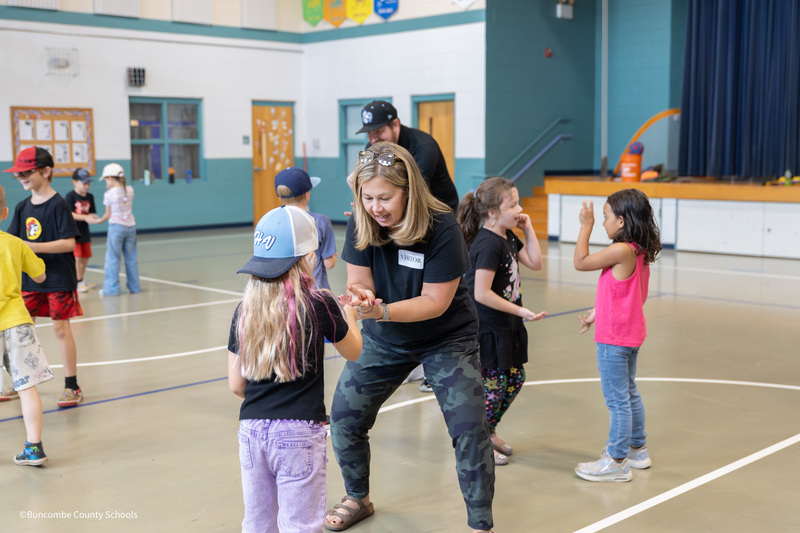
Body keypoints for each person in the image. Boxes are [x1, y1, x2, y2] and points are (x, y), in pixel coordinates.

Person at [325, 142, 495, 533]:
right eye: (367, 197)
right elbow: (357, 278)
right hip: (385, 339)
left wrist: (381, 310)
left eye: (385, 197)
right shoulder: (361, 222)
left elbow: (435, 302)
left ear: (408, 191)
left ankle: (481, 523)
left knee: (469, 428)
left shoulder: (442, 226)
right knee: (345, 418)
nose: (376, 207)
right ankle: (358, 497)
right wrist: (362, 295)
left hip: (446, 338)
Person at [228, 205, 363, 532]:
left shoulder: (244, 309)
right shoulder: (320, 302)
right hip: (299, 433)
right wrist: (352, 316)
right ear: (309, 258)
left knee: (258, 523)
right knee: (301, 525)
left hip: (251, 432)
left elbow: (236, 384)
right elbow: (353, 351)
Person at [572, 188, 662, 482]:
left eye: (605, 217)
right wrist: (597, 313)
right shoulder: (639, 250)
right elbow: (628, 294)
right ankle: (637, 448)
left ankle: (617, 459)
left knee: (617, 400)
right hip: (629, 333)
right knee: (629, 392)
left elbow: (581, 262)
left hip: (614, 339)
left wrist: (585, 226)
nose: (603, 223)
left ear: (621, 221)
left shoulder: (622, 250)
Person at [458, 177, 547, 467]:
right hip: (489, 329)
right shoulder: (487, 244)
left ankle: (489, 430)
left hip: (507, 326)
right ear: (493, 212)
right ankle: (479, 442)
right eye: (513, 204)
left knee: (514, 379)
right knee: (494, 388)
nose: (519, 209)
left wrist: (528, 228)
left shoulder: (506, 236)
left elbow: (535, 262)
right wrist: (520, 311)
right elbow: (480, 293)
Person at [2, 146, 84, 408]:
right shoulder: (22, 206)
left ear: (46, 171)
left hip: (58, 278)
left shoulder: (59, 205)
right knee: (20, 333)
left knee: (61, 329)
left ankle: (72, 385)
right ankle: (20, 382)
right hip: (28, 281)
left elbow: (69, 244)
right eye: (18, 174)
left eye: (27, 172)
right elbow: (13, 241)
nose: (22, 177)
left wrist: (31, 247)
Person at [0, 183, 55, 465]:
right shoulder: (14, 243)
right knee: (25, 387)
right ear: (5, 212)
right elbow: (41, 274)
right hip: (17, 324)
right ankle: (34, 447)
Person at [349, 100, 459, 212]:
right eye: (369, 134)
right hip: (403, 207)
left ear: (395, 125)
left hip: (439, 208)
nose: (373, 140)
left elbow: (409, 191)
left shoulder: (424, 146)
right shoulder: (375, 146)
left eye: (378, 131)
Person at [274, 167, 338, 291]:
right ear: (306, 194)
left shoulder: (275, 221)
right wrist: (333, 256)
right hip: (316, 293)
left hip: (287, 294)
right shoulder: (320, 221)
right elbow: (329, 264)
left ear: (280, 196)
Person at [95, 163, 140, 296]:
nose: (106, 183)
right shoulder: (130, 189)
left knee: (112, 259)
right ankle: (134, 287)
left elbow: (107, 215)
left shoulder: (109, 194)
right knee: (131, 259)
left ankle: (111, 289)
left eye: (106, 180)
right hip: (131, 227)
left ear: (110, 178)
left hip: (116, 228)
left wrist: (98, 221)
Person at [65, 168, 99, 293]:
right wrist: (85, 217)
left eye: (88, 183)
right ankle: (77, 281)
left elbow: (90, 213)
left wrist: (93, 217)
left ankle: (81, 279)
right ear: (74, 182)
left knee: (85, 257)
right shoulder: (70, 196)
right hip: (74, 233)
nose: (87, 186)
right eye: (84, 183)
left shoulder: (90, 197)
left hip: (85, 232)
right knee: (77, 258)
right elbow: (70, 214)